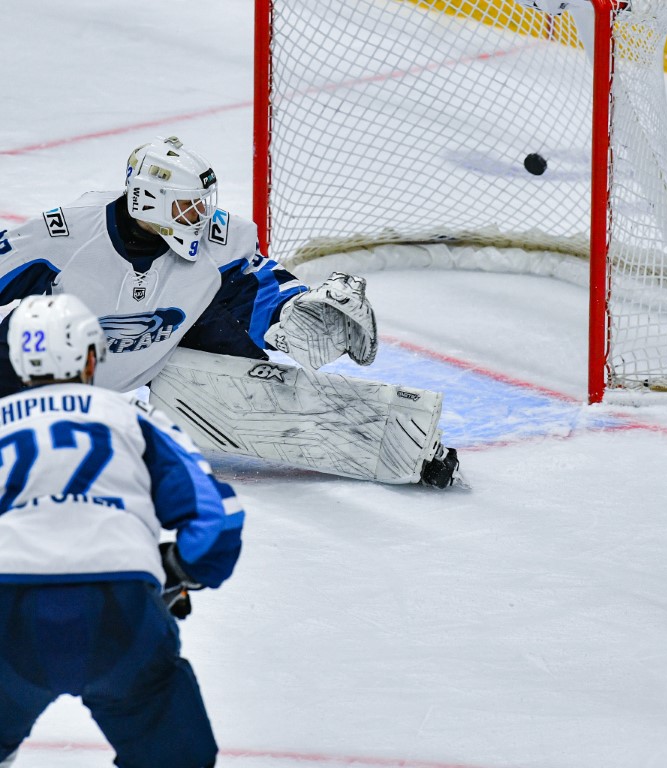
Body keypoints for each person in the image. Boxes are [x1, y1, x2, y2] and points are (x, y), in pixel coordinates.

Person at [0, 136, 459, 488]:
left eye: (202, 204)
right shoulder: (63, 234)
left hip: (153, 356)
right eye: (187, 206)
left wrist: (293, 310)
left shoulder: (216, 242)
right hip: (41, 375)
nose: (200, 216)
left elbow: (256, 286)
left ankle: (396, 443)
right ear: (145, 201)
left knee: (229, 335)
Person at [0, 294, 244, 767]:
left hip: (7, 605)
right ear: (92, 355)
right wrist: (181, 568)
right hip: (121, 607)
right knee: (172, 758)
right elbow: (219, 520)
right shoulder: (132, 417)